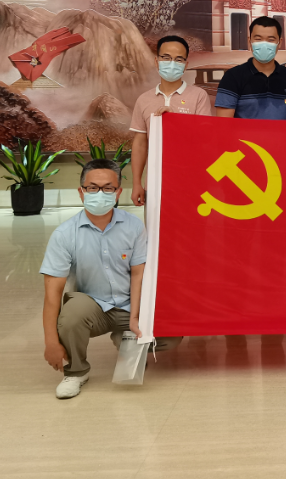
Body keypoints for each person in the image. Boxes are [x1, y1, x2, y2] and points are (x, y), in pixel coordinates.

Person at [39, 160, 181, 399]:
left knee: (172, 332)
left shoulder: (133, 226)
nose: (100, 194)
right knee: (71, 315)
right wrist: (51, 342)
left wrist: (136, 317)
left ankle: (126, 341)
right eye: (92, 188)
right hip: (93, 307)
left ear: (118, 192)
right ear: (81, 192)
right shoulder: (64, 235)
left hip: (128, 304)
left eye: (107, 188)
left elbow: (138, 274)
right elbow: (52, 293)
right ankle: (76, 372)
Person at [130, 35, 212, 207]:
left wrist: (176, 121)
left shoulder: (198, 96)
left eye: (178, 59)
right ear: (157, 61)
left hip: (191, 179)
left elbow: (205, 139)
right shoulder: (144, 100)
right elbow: (140, 144)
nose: (172, 64)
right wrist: (137, 183)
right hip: (155, 181)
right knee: (157, 223)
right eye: (166, 58)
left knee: (189, 221)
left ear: (186, 65)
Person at [215, 16, 286, 120]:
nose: (264, 44)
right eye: (258, 39)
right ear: (250, 41)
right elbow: (224, 123)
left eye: (271, 40)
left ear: (280, 42)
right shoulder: (232, 77)